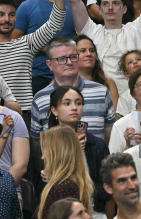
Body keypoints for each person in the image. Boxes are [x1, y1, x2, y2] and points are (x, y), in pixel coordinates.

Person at [41, 87, 110, 216]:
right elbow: (39, 191)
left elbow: (107, 189)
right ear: (54, 110)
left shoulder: (96, 145)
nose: (74, 108)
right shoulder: (45, 145)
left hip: (94, 213)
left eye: (78, 103)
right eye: (67, 103)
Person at [31, 36, 115, 142]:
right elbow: (38, 144)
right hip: (56, 158)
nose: (69, 62)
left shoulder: (101, 92)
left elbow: (110, 137)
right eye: (62, 59)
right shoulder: (40, 98)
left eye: (73, 57)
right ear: (50, 64)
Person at [38, 125, 94, 218]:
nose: (42, 157)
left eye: (45, 152)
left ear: (57, 155)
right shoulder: (65, 184)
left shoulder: (65, 187)